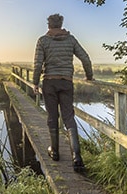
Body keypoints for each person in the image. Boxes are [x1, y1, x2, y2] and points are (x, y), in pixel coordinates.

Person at [32, 13, 93, 172]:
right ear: (61, 24)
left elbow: (38, 64)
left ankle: (55, 152)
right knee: (68, 117)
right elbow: (85, 58)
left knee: (52, 116)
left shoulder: (43, 41)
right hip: (66, 82)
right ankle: (77, 157)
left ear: (49, 25)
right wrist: (89, 76)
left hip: (49, 83)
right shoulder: (70, 40)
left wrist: (34, 83)